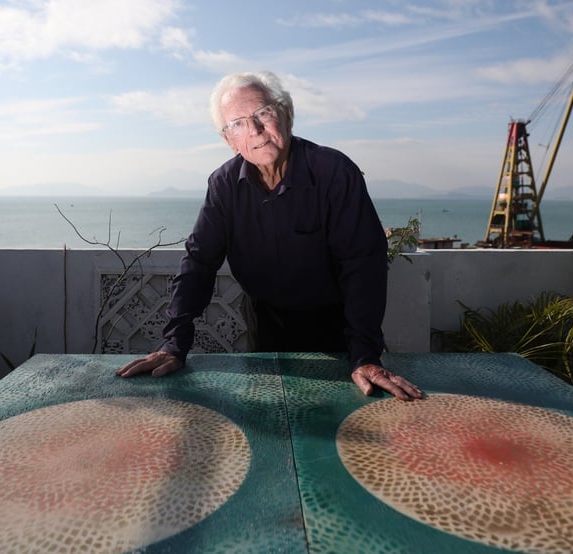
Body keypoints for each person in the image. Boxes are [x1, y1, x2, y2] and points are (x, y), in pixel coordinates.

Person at [117, 71, 421, 400]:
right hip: (266, 322)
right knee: (275, 412)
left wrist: (365, 356)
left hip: (341, 325)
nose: (256, 130)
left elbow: (363, 264)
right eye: (239, 123)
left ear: (286, 115)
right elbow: (199, 262)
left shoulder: (334, 172)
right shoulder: (223, 185)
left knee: (347, 416)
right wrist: (174, 345)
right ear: (228, 140)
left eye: (263, 113)